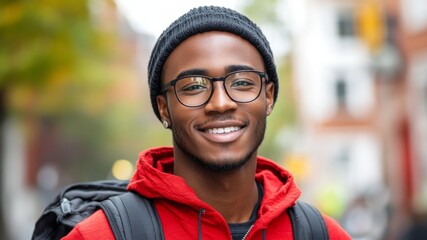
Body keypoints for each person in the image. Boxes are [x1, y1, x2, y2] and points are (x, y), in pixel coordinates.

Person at [63, 6, 351, 240]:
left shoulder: (321, 234)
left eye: (241, 82)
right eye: (193, 86)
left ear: (269, 97)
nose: (220, 103)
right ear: (164, 108)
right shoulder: (103, 235)